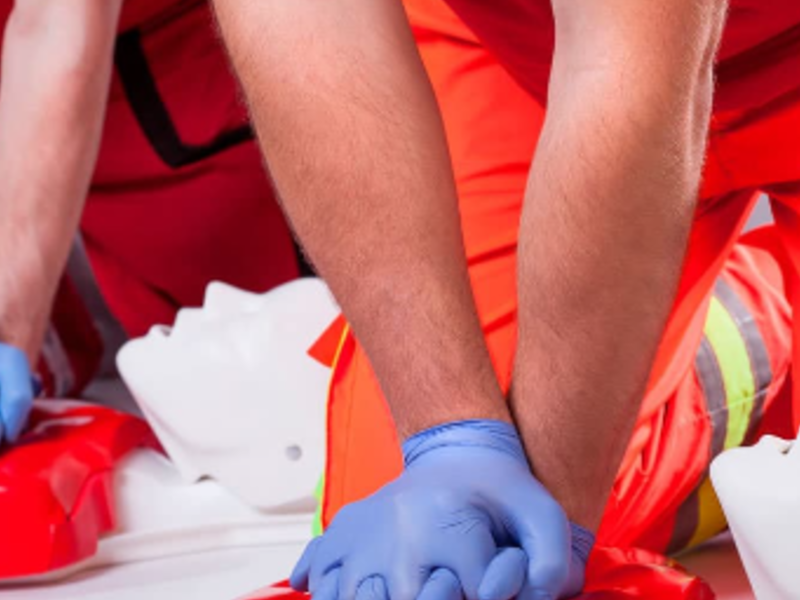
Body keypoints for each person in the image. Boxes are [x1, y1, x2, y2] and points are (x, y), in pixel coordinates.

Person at [213, 0, 800, 597]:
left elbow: (631, 68)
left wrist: (552, 525)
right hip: (527, 61)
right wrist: (451, 438)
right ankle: (764, 345)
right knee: (427, 559)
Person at [0, 0, 299, 444]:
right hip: (64, 134)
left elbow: (54, 19)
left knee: (288, 399)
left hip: (190, 98)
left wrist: (7, 333)